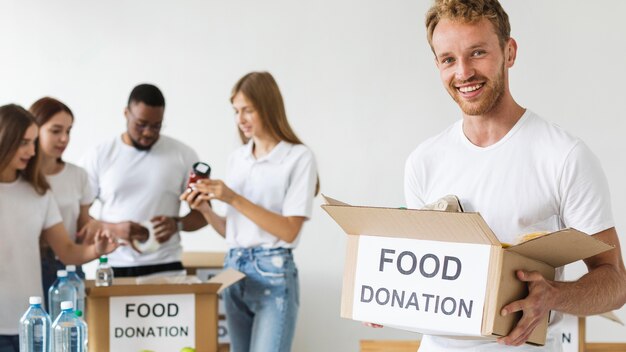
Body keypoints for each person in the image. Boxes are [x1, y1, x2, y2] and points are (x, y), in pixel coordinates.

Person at [400, 0, 626, 350]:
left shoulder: (564, 157)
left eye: (477, 53)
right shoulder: (423, 162)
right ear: (437, 64)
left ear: (509, 52)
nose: (463, 73)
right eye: (448, 59)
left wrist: (554, 295)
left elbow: (615, 284)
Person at [181, 71, 319, 352]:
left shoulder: (298, 157)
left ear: (267, 107)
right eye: (236, 111)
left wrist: (232, 197)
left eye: (248, 110)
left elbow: (289, 230)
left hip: (273, 273)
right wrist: (206, 210)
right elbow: (231, 232)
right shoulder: (238, 158)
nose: (240, 119)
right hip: (234, 267)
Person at [0, 104, 117, 352]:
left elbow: (66, 250)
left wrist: (98, 249)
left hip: (30, 324)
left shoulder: (38, 193)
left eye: (33, 142)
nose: (32, 151)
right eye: (23, 142)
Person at [81, 83, 207, 277]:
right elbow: (78, 218)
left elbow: (204, 214)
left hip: (167, 265)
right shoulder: (99, 155)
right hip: (113, 265)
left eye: (156, 126)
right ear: (126, 114)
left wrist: (177, 224)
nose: (148, 132)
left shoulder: (184, 155)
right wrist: (114, 229)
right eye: (141, 124)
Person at [29, 97, 100, 304]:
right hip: (29, 268)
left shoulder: (77, 175)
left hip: (67, 268)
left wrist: (94, 227)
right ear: (34, 129)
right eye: (56, 130)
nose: (64, 139)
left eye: (68, 131)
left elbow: (83, 224)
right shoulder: (20, 177)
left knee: (69, 331)